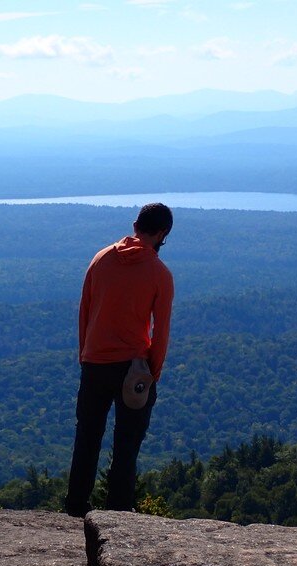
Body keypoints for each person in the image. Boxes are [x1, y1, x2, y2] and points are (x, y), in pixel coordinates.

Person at [65, 203, 174, 516]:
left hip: (95, 361)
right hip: (133, 369)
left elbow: (85, 312)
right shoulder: (160, 274)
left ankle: (75, 507)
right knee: (127, 445)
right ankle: (119, 514)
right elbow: (161, 332)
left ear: (135, 224)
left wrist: (86, 354)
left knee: (87, 437)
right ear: (163, 233)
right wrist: (154, 371)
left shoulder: (100, 260)